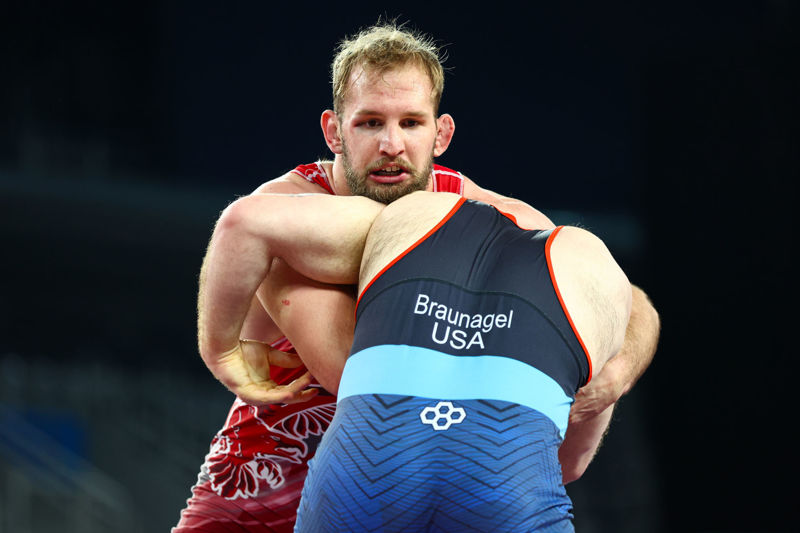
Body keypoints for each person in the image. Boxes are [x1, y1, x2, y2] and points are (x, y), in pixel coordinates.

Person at [175, 22, 659, 532]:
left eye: (410, 123)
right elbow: (360, 377)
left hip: (394, 496)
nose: (392, 144)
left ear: (441, 134)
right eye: (370, 123)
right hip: (258, 502)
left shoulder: (471, 206)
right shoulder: (287, 215)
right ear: (334, 131)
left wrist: (615, 374)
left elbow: (612, 292)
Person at [197, 190, 632, 531]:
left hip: (363, 475)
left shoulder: (409, 216)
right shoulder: (596, 271)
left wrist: (222, 352)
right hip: (504, 486)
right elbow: (572, 463)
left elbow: (243, 220)